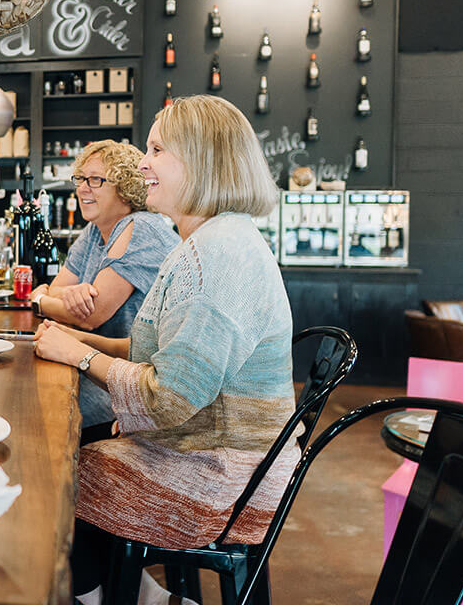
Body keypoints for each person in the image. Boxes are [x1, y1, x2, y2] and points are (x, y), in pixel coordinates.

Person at [34, 95, 294, 605]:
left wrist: (80, 358)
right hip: (225, 451)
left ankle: (113, 596)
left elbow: (169, 396)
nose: (143, 164)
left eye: (156, 150)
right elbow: (163, 351)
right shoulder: (211, 239)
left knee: (54, 481)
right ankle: (138, 593)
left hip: (222, 475)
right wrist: (86, 340)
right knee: (72, 459)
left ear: (200, 160)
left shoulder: (212, 255)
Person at [28, 140, 178, 437]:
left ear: (125, 187)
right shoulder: (96, 229)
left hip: (125, 387)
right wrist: (59, 296)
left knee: (32, 413)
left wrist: (40, 299)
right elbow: (63, 292)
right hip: (94, 366)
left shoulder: (141, 226)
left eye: (95, 180)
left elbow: (89, 316)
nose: (83, 188)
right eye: (80, 179)